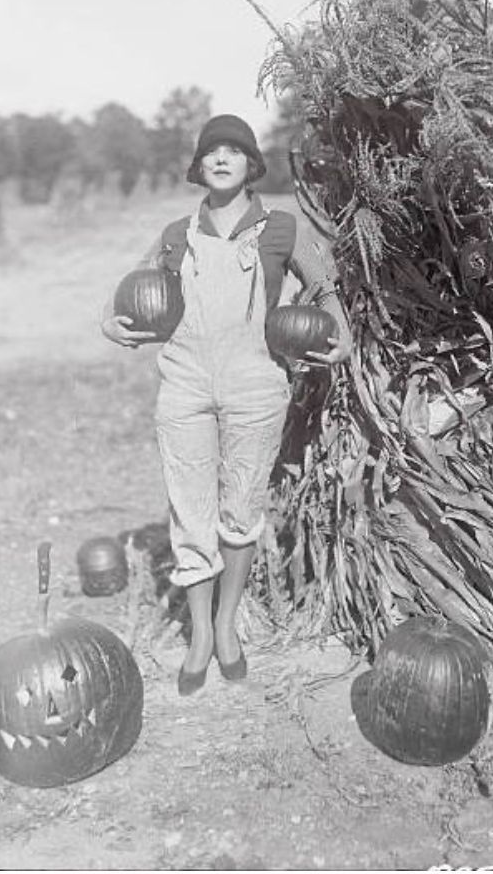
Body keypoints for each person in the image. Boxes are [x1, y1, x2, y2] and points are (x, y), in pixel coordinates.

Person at [101, 114, 351, 695]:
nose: (221, 159)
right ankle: (199, 636)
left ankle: (226, 621)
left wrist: (339, 340)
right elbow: (131, 287)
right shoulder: (173, 236)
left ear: (250, 165)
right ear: (198, 166)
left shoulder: (281, 229)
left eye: (233, 152)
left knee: (241, 506)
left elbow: (326, 285)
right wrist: (107, 324)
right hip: (184, 382)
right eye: (211, 151)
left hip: (255, 381)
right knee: (191, 510)